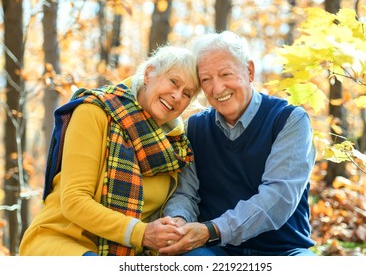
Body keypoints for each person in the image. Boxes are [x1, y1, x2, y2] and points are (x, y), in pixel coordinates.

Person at [19, 45, 200, 256]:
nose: (177, 96)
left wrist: (174, 225)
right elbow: (74, 201)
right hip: (63, 241)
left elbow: (178, 202)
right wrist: (141, 234)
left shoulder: (176, 147)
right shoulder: (94, 112)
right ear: (149, 74)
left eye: (187, 94)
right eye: (173, 82)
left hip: (131, 253)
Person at [161, 31, 317, 256]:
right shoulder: (195, 128)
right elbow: (185, 193)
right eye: (206, 79)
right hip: (214, 251)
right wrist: (178, 222)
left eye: (225, 74)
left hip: (284, 251)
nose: (217, 88)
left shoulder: (289, 120)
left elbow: (278, 197)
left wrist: (212, 230)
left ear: (250, 71)